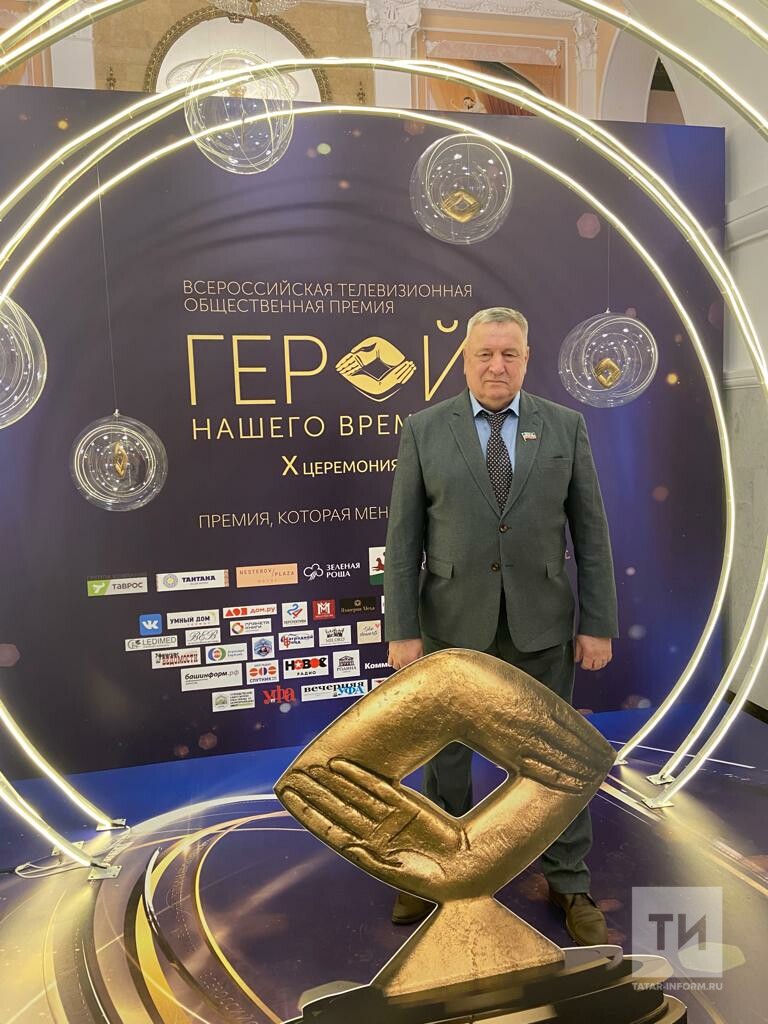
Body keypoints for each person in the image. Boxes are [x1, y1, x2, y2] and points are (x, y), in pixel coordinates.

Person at [383, 306, 618, 944]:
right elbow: (403, 541)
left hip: (543, 627)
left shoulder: (565, 426)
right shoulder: (424, 429)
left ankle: (568, 881)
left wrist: (597, 622)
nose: (496, 366)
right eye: (484, 354)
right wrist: (402, 629)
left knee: (556, 760)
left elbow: (591, 534)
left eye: (509, 354)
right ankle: (439, 873)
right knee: (446, 760)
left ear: (526, 358)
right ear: (464, 360)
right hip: (451, 625)